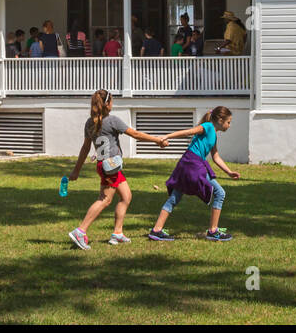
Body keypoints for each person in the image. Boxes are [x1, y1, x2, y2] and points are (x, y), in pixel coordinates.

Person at [66, 90, 170, 249]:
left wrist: (76, 171)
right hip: (110, 168)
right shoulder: (112, 120)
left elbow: (85, 148)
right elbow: (135, 134)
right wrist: (157, 140)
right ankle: (81, 231)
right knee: (104, 200)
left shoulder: (89, 123)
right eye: (112, 101)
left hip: (106, 166)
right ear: (108, 104)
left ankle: (117, 233)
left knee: (126, 196)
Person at [147, 106, 240, 242]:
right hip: (193, 164)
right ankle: (213, 231)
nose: (229, 125)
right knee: (220, 193)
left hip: (187, 163)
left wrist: (229, 172)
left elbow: (216, 157)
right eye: (228, 122)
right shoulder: (208, 126)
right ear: (220, 120)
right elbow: (188, 132)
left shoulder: (213, 135)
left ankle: (156, 230)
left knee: (175, 198)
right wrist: (167, 136)